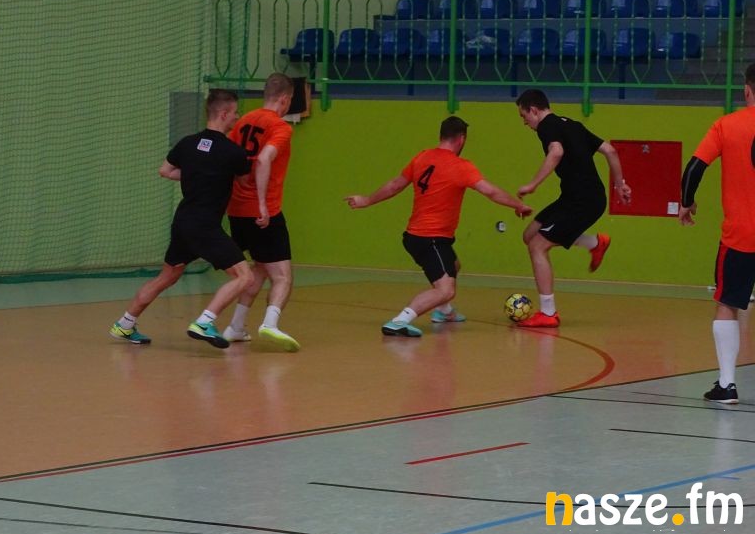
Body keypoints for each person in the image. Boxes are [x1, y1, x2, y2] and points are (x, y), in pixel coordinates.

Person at [345, 116, 532, 337]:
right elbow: (490, 191)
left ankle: (444, 312)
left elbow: (395, 185)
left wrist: (367, 200)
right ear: (461, 139)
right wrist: (518, 205)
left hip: (417, 236)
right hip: (430, 238)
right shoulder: (461, 166)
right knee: (446, 290)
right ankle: (400, 321)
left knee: (453, 265)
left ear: (441, 136)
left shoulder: (422, 157)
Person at [110, 89, 253, 349]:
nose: (237, 116)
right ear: (223, 114)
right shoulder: (233, 152)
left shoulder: (187, 143)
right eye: (235, 112)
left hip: (183, 221)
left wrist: (194, 174)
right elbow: (245, 181)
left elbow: (165, 171)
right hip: (204, 226)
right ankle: (205, 322)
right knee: (245, 276)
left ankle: (125, 324)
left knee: (167, 277)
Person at [515, 89, 632, 328]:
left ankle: (548, 313)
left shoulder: (546, 127)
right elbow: (610, 150)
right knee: (529, 236)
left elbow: (556, 152)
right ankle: (594, 243)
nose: (525, 123)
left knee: (537, 246)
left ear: (534, 110)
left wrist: (533, 184)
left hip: (583, 201)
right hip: (575, 198)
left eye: (524, 116)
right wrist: (620, 184)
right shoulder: (573, 125)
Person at [679, 63, 755, 404]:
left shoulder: (727, 125)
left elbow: (694, 167)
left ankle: (727, 385)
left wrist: (686, 202)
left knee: (727, 305)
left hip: (741, 236)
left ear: (746, 90)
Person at [220, 73, 301, 352]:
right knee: (283, 276)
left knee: (260, 269)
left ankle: (236, 327)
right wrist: (264, 204)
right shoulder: (280, 127)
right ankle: (270, 323)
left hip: (237, 210)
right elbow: (265, 158)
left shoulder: (243, 121)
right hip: (262, 212)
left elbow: (228, 157)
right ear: (285, 99)